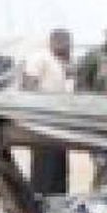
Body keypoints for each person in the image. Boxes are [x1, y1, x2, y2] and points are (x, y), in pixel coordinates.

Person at [21, 28, 73, 195]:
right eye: (66, 43)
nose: (69, 47)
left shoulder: (61, 63)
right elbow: (29, 84)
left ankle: (58, 199)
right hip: (43, 121)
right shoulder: (40, 57)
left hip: (59, 123)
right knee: (44, 168)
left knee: (59, 167)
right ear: (54, 41)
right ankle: (41, 201)